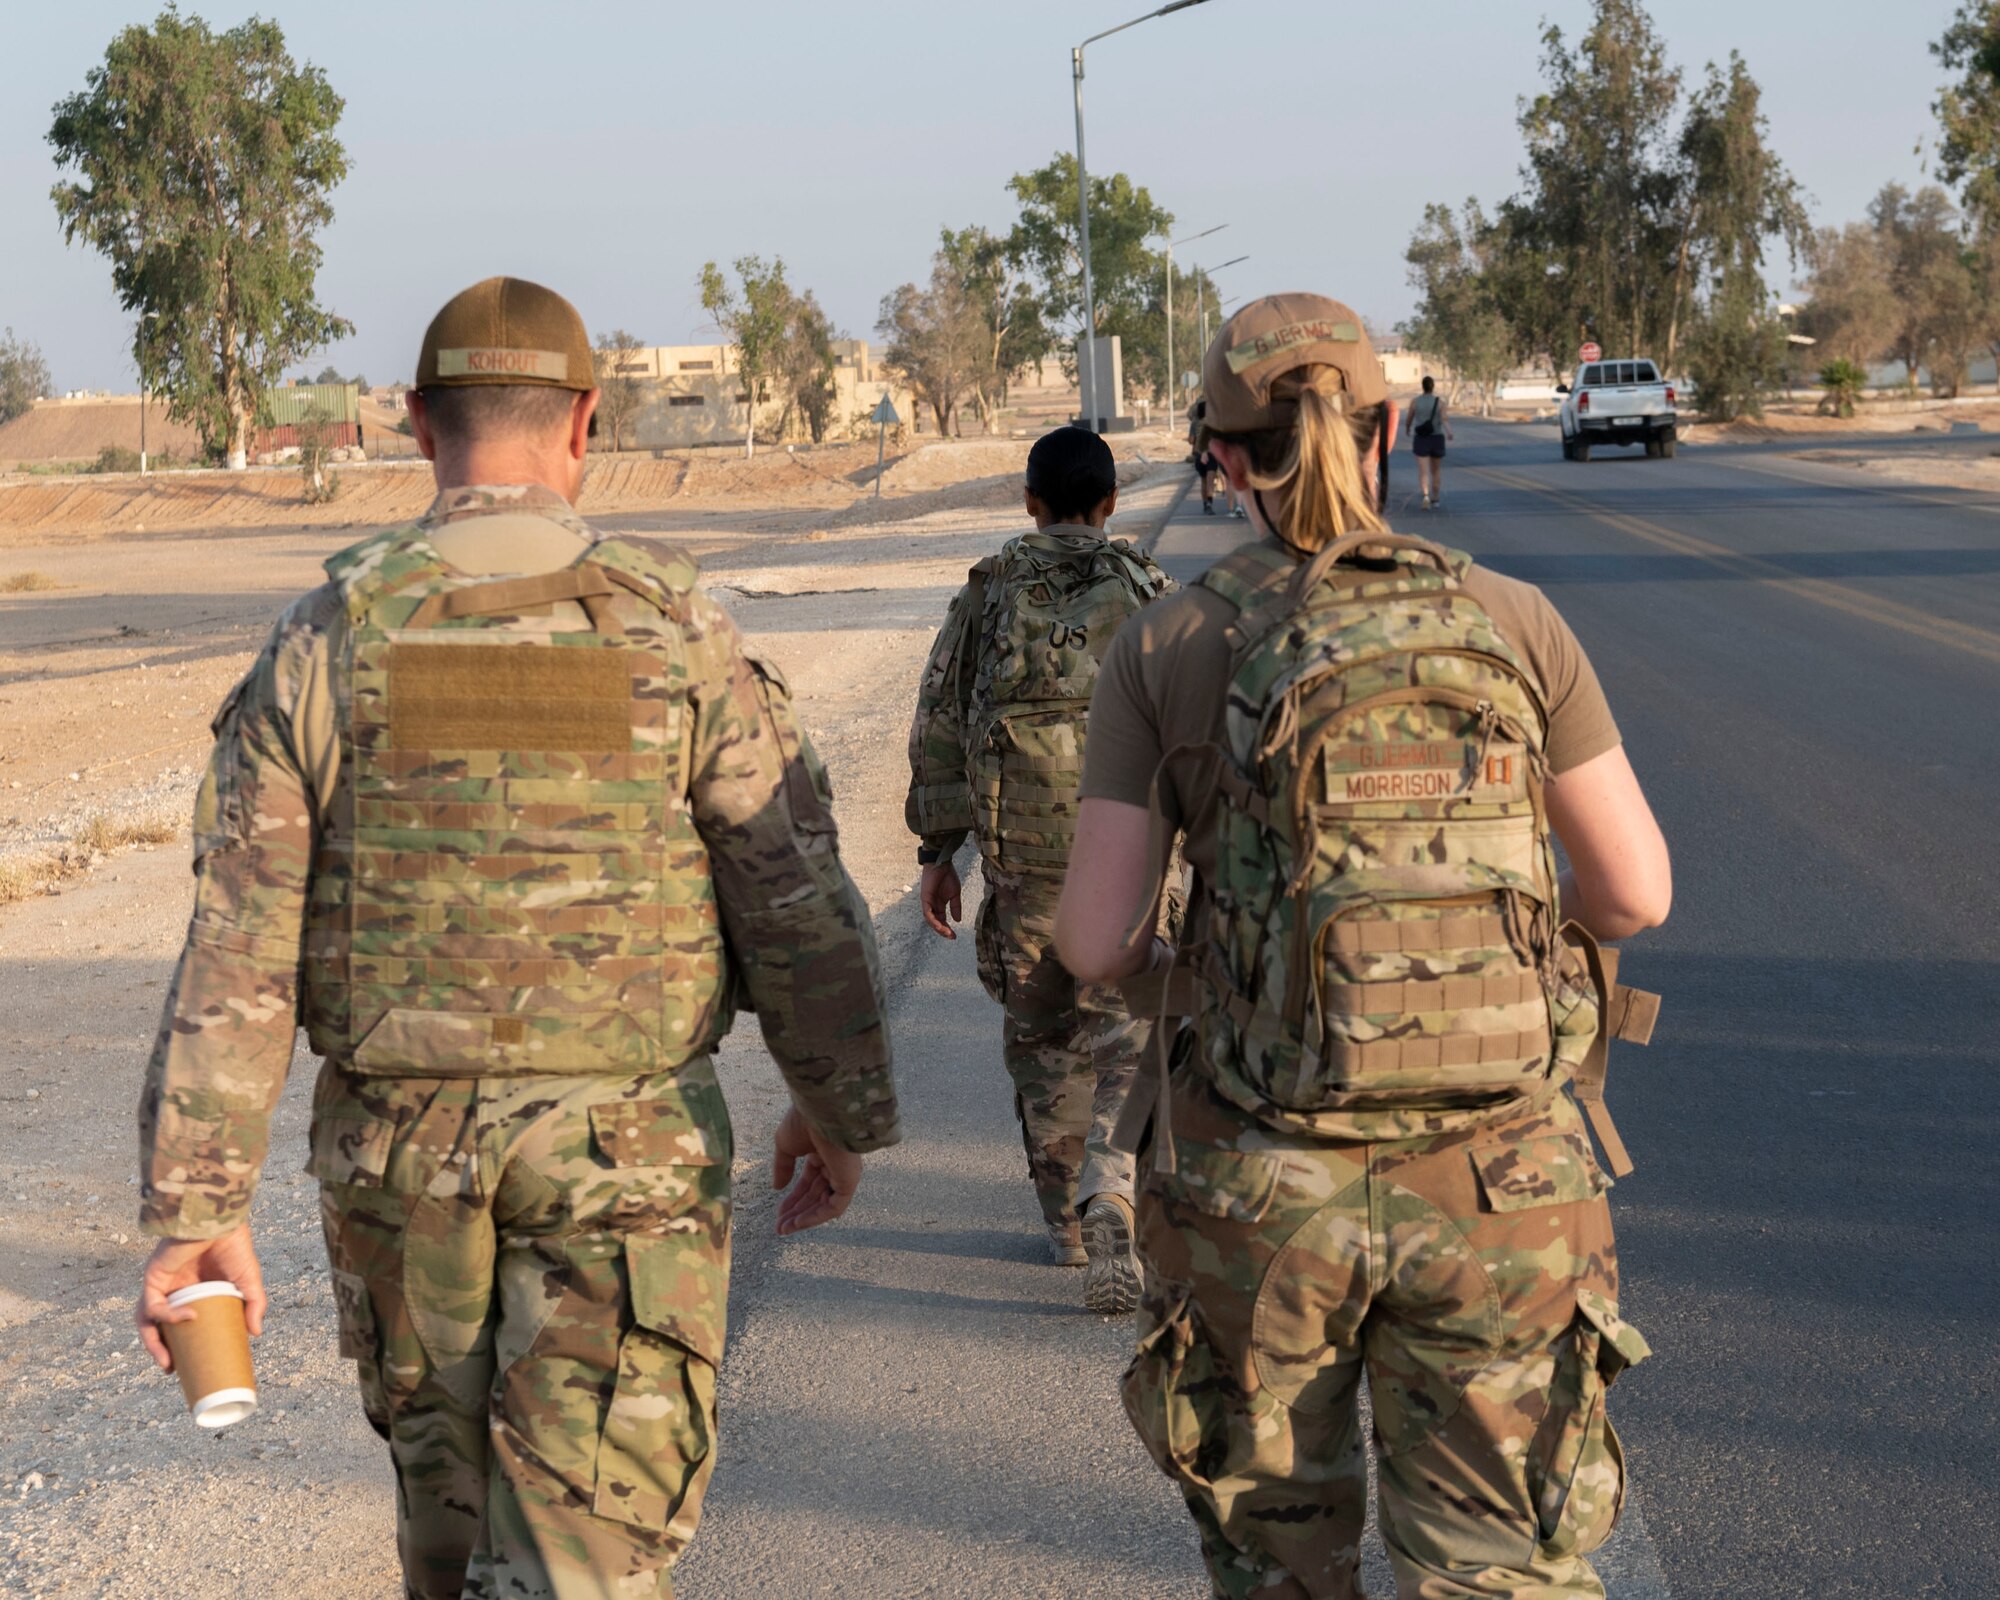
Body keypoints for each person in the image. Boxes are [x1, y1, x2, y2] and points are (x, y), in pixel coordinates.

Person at [134, 277, 899, 1599]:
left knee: (447, 1534)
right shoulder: (673, 627)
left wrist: (198, 1209)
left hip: (400, 1166)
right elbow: (791, 893)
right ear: (586, 423)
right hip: (628, 1158)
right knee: (587, 1552)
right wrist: (836, 1109)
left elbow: (241, 937)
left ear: (419, 425)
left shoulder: (326, 639)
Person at [1056, 294, 1671, 1598]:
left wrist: (1227, 974)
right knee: (1503, 1570)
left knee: (1284, 1570)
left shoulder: (1166, 642)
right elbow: (1634, 892)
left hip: (1257, 1196)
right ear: (1386, 426)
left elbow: (1094, 940)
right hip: (1503, 1185)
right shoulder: (1513, 617)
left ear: (1218, 456)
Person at [906, 426, 1173, 1313]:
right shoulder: (1146, 593)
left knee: (1043, 1033)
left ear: (1027, 500)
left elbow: (940, 718)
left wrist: (938, 854)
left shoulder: (988, 594)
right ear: (1110, 506)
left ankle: (1065, 1221)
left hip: (1020, 861)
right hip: (1127, 856)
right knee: (1127, 1031)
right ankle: (1117, 1192)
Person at [1402, 372, 1453, 508]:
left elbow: (1409, 418)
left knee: (1423, 470)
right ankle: (1435, 498)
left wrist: (1407, 428)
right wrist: (1449, 432)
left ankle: (1425, 496)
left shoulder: (1415, 401)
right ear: (1433, 387)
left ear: (1422, 386)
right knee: (1435, 470)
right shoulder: (1440, 403)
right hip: (1436, 437)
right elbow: (1444, 419)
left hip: (1421, 438)